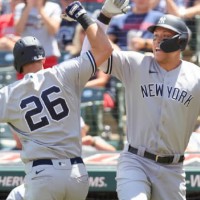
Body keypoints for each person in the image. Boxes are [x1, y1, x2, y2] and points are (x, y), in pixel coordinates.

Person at [82, 1, 200, 198]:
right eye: (155, 36)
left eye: (165, 37)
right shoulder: (136, 64)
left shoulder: (195, 76)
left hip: (173, 169)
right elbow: (90, 55)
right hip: (136, 161)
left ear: (180, 42)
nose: (157, 41)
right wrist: (103, 19)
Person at [0, 1, 114, 199]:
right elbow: (104, 48)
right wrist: (82, 16)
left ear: (18, 64)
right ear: (43, 58)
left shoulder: (8, 94)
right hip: (77, 174)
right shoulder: (64, 72)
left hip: (42, 174)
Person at [13, 0, 62, 80]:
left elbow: (53, 30)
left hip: (48, 56)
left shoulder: (54, 7)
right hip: (25, 59)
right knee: (25, 89)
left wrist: (40, 9)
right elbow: (18, 30)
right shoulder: (20, 7)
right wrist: (28, 7)